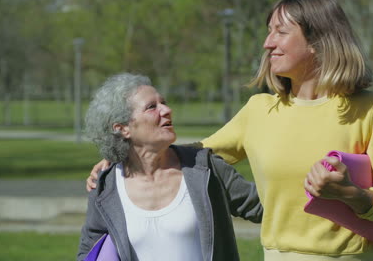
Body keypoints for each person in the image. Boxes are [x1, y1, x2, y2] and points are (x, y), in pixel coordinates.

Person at [87, 0, 373, 260]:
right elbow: (193, 156)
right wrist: (121, 163)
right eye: (268, 31)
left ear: (316, 41)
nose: (267, 43)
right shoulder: (259, 110)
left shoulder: (369, 109)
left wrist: (350, 195)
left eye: (280, 32)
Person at [77, 73, 262, 261]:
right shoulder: (105, 187)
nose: (166, 110)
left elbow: (264, 207)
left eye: (163, 102)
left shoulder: (205, 168)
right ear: (122, 128)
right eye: (151, 107)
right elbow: (89, 251)